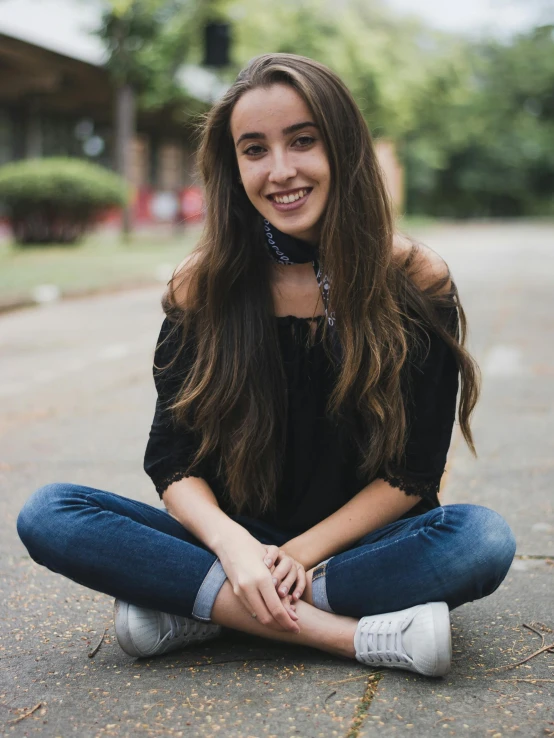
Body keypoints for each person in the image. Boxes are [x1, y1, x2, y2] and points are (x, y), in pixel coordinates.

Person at [16, 53, 516, 678]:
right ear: (233, 166)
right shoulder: (203, 286)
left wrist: (297, 555)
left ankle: (203, 609)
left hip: (357, 547)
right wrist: (236, 548)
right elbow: (173, 462)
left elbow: (413, 474)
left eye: (302, 141)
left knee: (482, 541)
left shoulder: (413, 279)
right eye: (254, 150)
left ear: (344, 149)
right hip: (230, 543)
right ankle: (345, 636)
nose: (280, 171)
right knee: (50, 513)